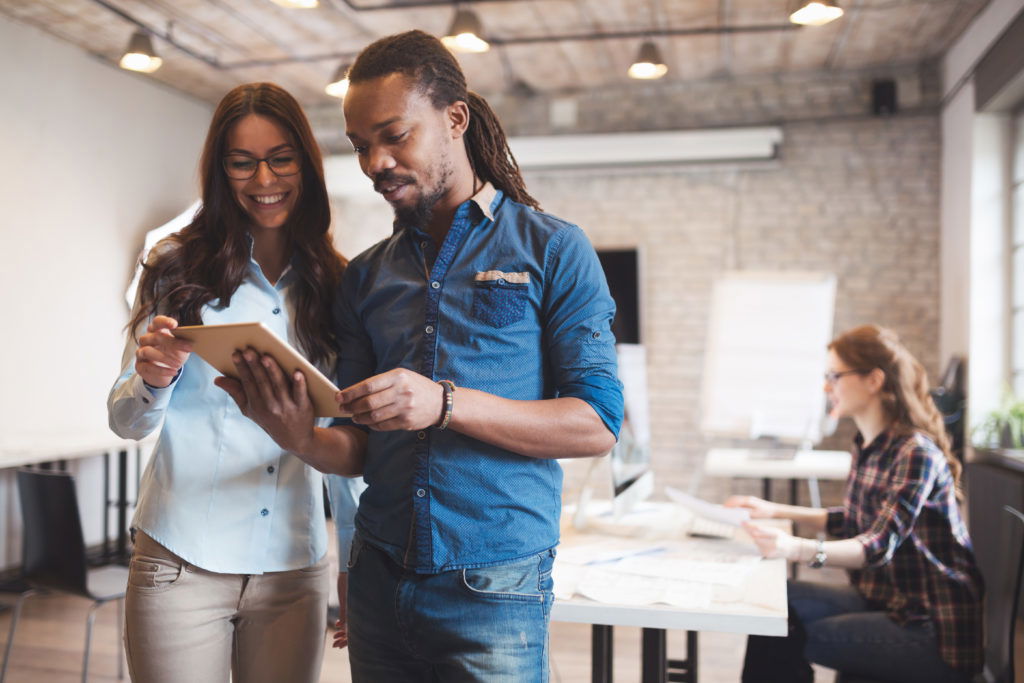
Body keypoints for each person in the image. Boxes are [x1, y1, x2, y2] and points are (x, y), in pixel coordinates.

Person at [217, 29, 624, 682]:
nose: (374, 161)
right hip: (377, 577)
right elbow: (354, 447)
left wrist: (445, 403)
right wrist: (294, 431)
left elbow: (597, 423)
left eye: (393, 135)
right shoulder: (366, 277)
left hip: (494, 588)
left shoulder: (553, 250)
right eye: (359, 145)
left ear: (454, 118)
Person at [107, 82, 346, 683]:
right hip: (180, 562)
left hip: (295, 568)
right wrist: (153, 379)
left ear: (306, 165)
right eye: (242, 162)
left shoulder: (339, 285)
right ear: (221, 171)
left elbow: (348, 435)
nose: (263, 178)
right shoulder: (174, 266)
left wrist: (358, 564)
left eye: (281, 158)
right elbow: (126, 419)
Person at [726, 324, 983, 683]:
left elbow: (877, 544)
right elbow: (855, 519)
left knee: (783, 633)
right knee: (773, 606)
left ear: (873, 380)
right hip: (887, 602)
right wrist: (775, 510)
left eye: (835, 375)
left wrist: (796, 548)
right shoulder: (868, 444)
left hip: (932, 630)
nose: (826, 386)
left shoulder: (915, 453)